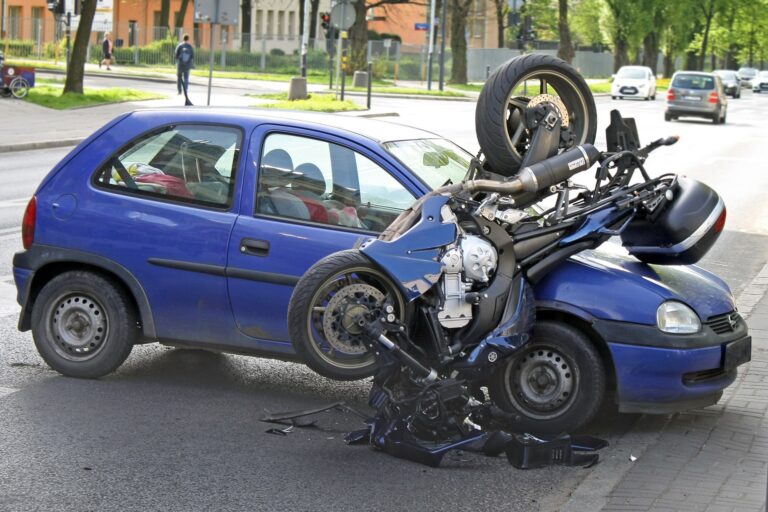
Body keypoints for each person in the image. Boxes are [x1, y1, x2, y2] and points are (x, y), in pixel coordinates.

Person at [175, 34, 195, 99]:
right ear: (188, 39)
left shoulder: (180, 46)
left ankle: (179, 91)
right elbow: (192, 56)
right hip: (187, 65)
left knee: (179, 78)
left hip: (180, 65)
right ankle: (185, 91)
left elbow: (176, 55)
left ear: (183, 39)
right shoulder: (190, 47)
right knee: (186, 78)